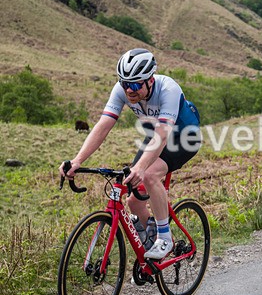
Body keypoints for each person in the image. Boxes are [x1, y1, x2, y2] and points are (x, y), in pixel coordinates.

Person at [59, 48, 201, 259]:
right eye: (125, 84)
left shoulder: (169, 89)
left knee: (149, 174)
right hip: (156, 135)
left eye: (135, 85)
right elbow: (103, 126)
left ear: (150, 80)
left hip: (183, 137)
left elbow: (163, 135)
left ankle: (165, 238)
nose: (129, 91)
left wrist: (141, 168)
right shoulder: (122, 89)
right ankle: (151, 253)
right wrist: (77, 160)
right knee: (133, 202)